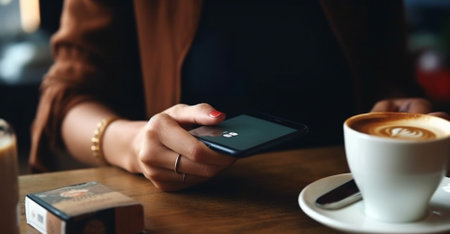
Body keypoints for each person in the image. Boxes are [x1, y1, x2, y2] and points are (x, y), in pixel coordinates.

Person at [29, 0, 448, 191]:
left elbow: (391, 77)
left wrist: (402, 108)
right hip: (198, 217)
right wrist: (133, 143)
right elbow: (66, 97)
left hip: (352, 198)